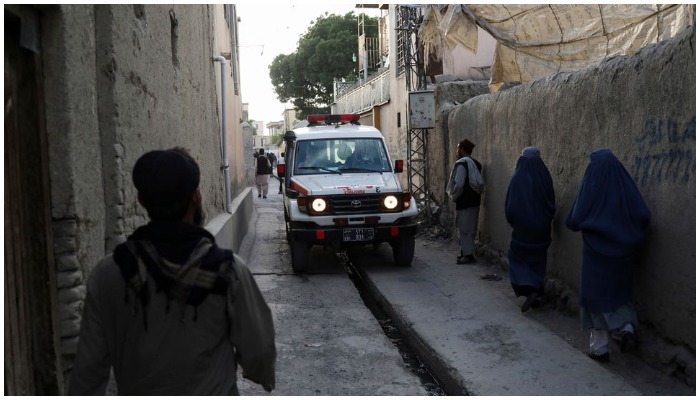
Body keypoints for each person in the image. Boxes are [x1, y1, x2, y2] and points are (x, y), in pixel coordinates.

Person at [68, 148, 276, 395]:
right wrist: (262, 375)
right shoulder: (229, 272)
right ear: (196, 198)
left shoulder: (109, 273)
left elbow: (88, 371)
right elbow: (259, 353)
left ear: (142, 201)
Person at [566, 149, 650, 362]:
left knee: (594, 298)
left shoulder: (593, 183)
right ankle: (627, 326)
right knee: (619, 294)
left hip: (596, 252)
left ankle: (599, 349)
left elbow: (577, 216)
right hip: (624, 254)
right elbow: (643, 213)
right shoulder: (624, 184)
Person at [504, 147, 555, 312]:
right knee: (538, 261)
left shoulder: (518, 178)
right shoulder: (545, 176)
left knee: (518, 260)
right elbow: (551, 203)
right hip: (542, 230)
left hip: (522, 230)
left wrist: (514, 221)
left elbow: (510, 207)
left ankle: (529, 290)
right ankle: (536, 293)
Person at [445, 138, 484, 264]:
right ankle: (466, 252)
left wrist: (454, 195)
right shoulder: (476, 164)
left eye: (458, 149)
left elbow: (459, 184)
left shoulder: (462, 164)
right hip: (475, 200)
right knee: (471, 228)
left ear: (461, 150)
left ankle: (468, 255)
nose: (457, 152)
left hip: (465, 201)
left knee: (464, 229)